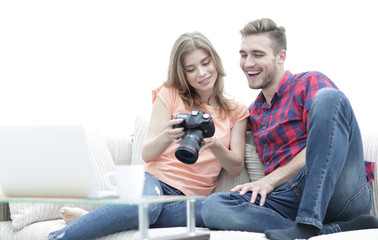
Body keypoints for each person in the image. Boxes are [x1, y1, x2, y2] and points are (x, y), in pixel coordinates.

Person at [48, 31, 249, 240]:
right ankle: (56, 237)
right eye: (191, 69)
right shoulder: (170, 93)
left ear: (215, 61)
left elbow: (235, 167)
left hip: (190, 199)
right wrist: (167, 135)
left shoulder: (237, 111)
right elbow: (147, 154)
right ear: (183, 74)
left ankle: (98, 218)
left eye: (206, 63)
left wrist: (215, 144)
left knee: (211, 209)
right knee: (150, 208)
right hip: (154, 181)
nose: (201, 73)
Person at [201, 18, 378, 240]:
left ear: (280, 56)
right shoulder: (253, 112)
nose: (247, 63)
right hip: (289, 197)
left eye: (258, 54)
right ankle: (334, 229)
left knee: (330, 99)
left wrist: (271, 179)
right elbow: (222, 125)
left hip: (339, 191)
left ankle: (307, 223)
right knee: (213, 207)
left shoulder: (309, 83)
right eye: (243, 54)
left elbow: (329, 141)